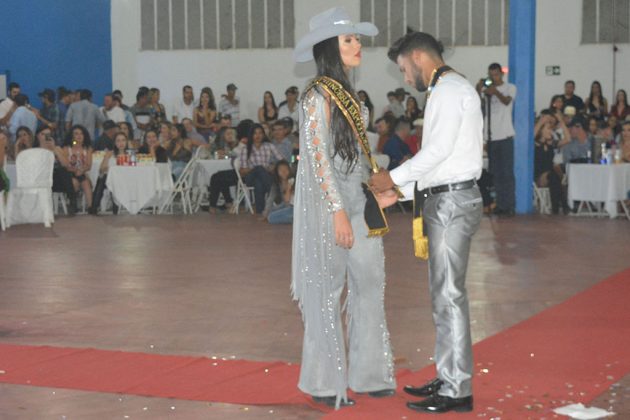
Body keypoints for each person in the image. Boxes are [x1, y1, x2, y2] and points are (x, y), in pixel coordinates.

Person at [369, 31, 483, 414]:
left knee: (449, 296)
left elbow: (437, 152)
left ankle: (457, 388)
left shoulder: (449, 90)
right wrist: (397, 193)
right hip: (444, 198)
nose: (404, 78)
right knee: (442, 296)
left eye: (403, 69)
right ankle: (448, 374)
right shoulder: (444, 90)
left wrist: (392, 177)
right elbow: (439, 163)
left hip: (452, 202)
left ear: (418, 57)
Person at [292, 7, 396, 409]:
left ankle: (370, 374)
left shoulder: (353, 98)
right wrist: (336, 210)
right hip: (328, 205)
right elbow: (317, 157)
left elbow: (357, 155)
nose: (357, 45)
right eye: (349, 39)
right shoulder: (316, 96)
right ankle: (324, 381)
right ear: (329, 47)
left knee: (370, 283)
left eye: (357, 39)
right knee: (327, 290)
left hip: (358, 201)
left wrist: (378, 187)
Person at [476, 62, 516, 217]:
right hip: (491, 136)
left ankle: (509, 205)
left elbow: (507, 101)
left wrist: (495, 92)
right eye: (491, 75)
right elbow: (479, 107)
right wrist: (478, 90)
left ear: (502, 74)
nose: (494, 77)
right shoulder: (486, 91)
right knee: (496, 174)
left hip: (505, 135)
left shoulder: (510, 87)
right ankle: (500, 204)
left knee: (507, 173)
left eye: (496, 74)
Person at [207, 121, 251, 214]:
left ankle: (215, 205)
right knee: (219, 176)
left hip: (243, 173)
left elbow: (237, 154)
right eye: (227, 134)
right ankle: (227, 202)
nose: (230, 136)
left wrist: (228, 153)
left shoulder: (241, 143)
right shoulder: (224, 145)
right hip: (237, 172)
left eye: (232, 133)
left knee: (216, 177)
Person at [238, 124, 283, 214]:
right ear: (251, 135)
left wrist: (273, 166)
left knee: (259, 183)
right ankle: (275, 194)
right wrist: (255, 169)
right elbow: (242, 171)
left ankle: (260, 211)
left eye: (260, 133)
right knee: (259, 168)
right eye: (255, 133)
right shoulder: (246, 149)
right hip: (250, 176)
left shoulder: (269, 146)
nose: (258, 136)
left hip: (265, 175)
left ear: (263, 134)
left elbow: (282, 161)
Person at [89, 132, 130, 215]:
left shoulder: (130, 155)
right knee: (103, 178)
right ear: (114, 143)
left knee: (104, 179)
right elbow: (101, 170)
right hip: (110, 180)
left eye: (123, 140)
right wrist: (107, 158)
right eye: (118, 141)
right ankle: (94, 207)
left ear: (126, 142)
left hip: (125, 180)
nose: (121, 143)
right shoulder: (110, 154)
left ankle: (113, 205)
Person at [534, 117, 569, 214]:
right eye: (548, 129)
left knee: (554, 175)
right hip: (539, 177)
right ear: (541, 131)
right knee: (554, 175)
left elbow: (567, 139)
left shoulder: (551, 144)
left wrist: (562, 123)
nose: (551, 131)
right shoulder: (535, 144)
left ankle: (557, 207)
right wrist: (541, 122)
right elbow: (531, 136)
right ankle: (562, 205)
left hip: (551, 175)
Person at [64, 125, 94, 210]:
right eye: (76, 134)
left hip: (82, 173)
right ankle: (73, 204)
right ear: (72, 136)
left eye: (81, 133)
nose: (79, 136)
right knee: (74, 182)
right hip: (69, 173)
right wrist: (75, 170)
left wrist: (81, 170)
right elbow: (65, 165)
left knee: (86, 183)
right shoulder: (66, 148)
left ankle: (91, 207)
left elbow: (88, 165)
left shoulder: (88, 148)